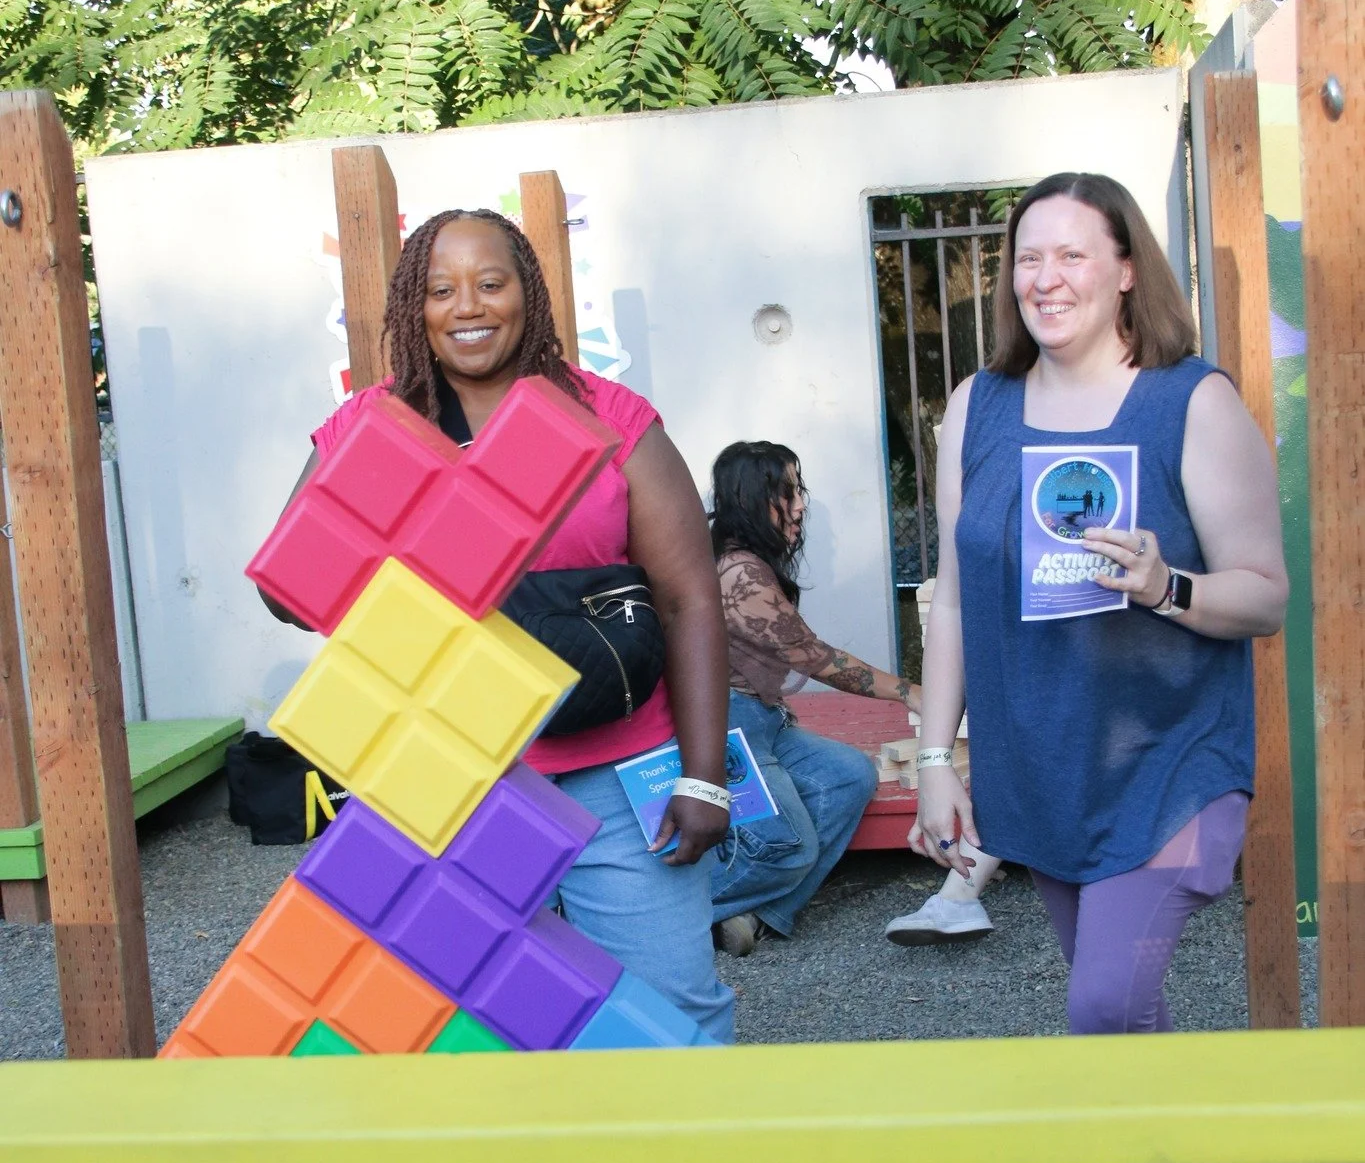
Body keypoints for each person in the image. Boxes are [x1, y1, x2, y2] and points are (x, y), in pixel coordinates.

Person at [259, 207, 736, 1042]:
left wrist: (702, 778)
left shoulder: (609, 417)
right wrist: (370, 510)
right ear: (415, 307)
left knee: (671, 1011)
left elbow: (690, 598)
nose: (467, 307)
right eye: (441, 289)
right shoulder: (372, 426)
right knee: (478, 1022)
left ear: (529, 292)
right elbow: (286, 594)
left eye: (490, 282)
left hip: (618, 778)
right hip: (450, 780)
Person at [910, 171, 1288, 1033]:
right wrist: (935, 763)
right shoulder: (977, 408)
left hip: (1169, 766)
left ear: (1124, 270)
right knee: (1124, 1019)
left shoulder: (1191, 402)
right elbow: (956, 605)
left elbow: (1264, 597)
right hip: (1040, 770)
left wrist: (1166, 587)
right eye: (1027, 257)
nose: (1045, 277)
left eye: (1072, 254)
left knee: (1103, 1005)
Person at [708, 441, 920, 954]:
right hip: (727, 724)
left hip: (763, 719)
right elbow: (814, 657)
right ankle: (669, 916)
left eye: (799, 488)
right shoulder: (738, 572)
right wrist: (913, 693)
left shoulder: (749, 561)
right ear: (750, 497)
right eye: (787, 491)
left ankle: (757, 913)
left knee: (850, 776)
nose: (801, 503)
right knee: (789, 849)